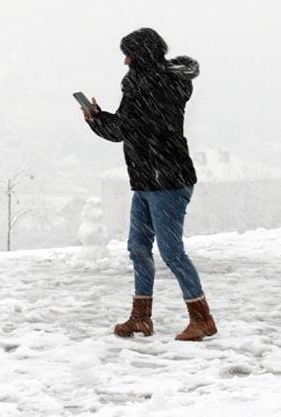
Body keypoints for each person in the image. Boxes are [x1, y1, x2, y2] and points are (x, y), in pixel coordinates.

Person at [82, 27, 217, 341]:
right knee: (138, 248)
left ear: (141, 55)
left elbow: (128, 128)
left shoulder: (155, 86)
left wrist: (98, 120)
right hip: (146, 179)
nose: (125, 61)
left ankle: (203, 320)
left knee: (172, 252)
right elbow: (130, 126)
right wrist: (100, 118)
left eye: (128, 54)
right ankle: (140, 318)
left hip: (167, 180)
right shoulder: (147, 83)